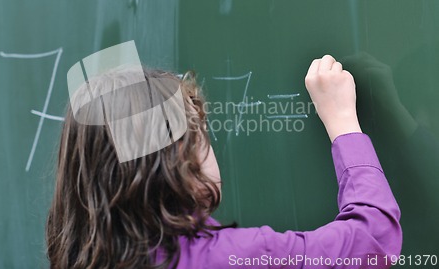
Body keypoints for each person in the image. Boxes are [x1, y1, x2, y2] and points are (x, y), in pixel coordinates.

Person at [46, 55, 402, 268]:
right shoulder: (234, 257)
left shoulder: (82, 259)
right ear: (180, 165)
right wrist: (342, 122)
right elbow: (373, 241)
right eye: (200, 135)